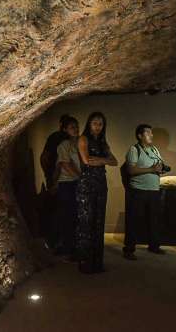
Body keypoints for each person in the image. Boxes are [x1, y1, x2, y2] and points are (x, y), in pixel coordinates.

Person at [76, 112, 117, 273]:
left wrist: (101, 160)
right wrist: (104, 161)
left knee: (99, 222)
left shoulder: (103, 142)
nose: (97, 126)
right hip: (86, 184)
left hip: (101, 183)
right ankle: (85, 263)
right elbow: (87, 160)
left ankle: (97, 263)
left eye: (100, 123)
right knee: (86, 222)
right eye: (95, 123)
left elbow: (115, 161)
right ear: (89, 124)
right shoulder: (83, 139)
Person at [123, 124, 167, 260]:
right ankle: (129, 249)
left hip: (154, 190)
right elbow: (130, 170)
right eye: (148, 133)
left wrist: (162, 168)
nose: (151, 135)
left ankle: (154, 246)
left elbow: (158, 166)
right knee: (134, 221)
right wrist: (152, 169)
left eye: (151, 133)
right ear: (140, 135)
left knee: (154, 220)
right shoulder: (134, 149)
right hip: (138, 191)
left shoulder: (155, 149)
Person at [39, 114, 71, 249]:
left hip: (58, 177)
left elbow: (44, 157)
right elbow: (47, 158)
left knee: (57, 210)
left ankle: (56, 241)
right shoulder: (63, 139)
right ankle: (58, 241)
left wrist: (48, 175)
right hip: (62, 178)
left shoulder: (55, 137)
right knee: (61, 210)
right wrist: (51, 177)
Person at [55, 117, 81, 260]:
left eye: (76, 126)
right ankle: (68, 248)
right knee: (69, 216)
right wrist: (81, 178)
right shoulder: (64, 145)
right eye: (72, 127)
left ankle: (75, 247)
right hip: (67, 183)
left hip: (76, 183)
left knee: (77, 216)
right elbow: (65, 164)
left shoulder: (79, 142)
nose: (75, 129)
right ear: (65, 130)